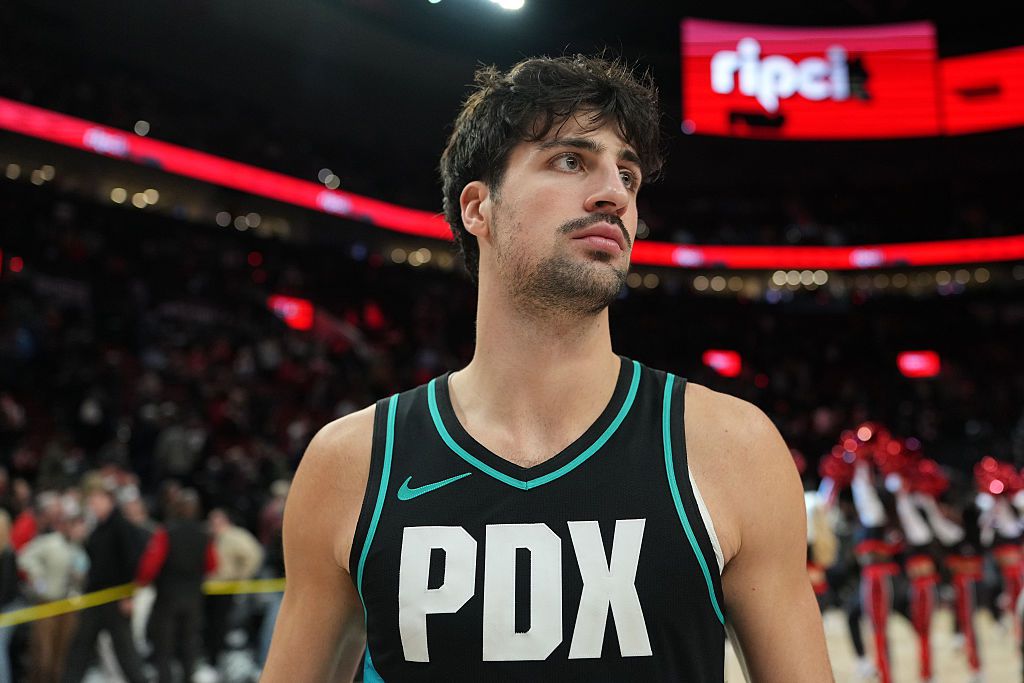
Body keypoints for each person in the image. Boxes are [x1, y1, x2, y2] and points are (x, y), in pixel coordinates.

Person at [263, 54, 832, 681]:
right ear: (477, 208)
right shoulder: (350, 462)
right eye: (570, 161)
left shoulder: (734, 447)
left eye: (627, 174)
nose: (614, 193)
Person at [60, 473, 149, 683]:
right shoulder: (99, 528)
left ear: (108, 499)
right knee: (79, 650)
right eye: (91, 500)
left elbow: (133, 562)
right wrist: (82, 540)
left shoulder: (121, 526)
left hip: (115, 600)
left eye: (97, 499)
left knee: (126, 654)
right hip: (95, 598)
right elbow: (96, 562)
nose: (93, 504)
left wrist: (128, 595)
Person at [135, 488, 216, 683]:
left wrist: (142, 581)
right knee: (189, 643)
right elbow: (212, 564)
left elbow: (150, 566)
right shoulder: (203, 534)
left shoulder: (166, 533)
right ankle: (189, 678)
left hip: (168, 597)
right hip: (193, 597)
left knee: (164, 645)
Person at [16, 501, 89, 683]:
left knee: (62, 653)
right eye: (77, 525)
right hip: (48, 602)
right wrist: (37, 578)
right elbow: (24, 557)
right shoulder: (49, 542)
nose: (81, 530)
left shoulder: (79, 550)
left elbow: (83, 576)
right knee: (43, 653)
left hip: (68, 606)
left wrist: (79, 577)